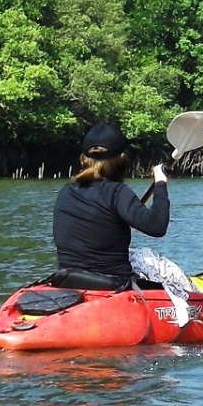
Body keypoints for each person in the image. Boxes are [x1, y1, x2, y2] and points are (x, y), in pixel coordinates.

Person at [50, 123, 170, 289]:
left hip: (69, 280)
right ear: (121, 159)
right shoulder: (117, 192)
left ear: (83, 158)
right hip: (114, 284)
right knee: (153, 261)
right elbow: (157, 226)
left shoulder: (66, 192)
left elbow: (98, 226)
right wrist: (161, 183)